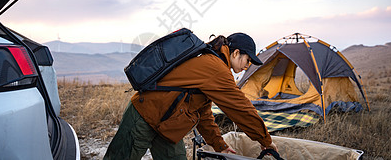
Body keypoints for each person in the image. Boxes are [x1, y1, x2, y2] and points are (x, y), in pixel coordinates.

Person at [104, 32, 278, 160]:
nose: (248, 66)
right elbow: (239, 108)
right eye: (248, 60)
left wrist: (220, 145)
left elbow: (203, 112)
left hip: (167, 125)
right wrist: (265, 140)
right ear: (235, 53)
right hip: (143, 116)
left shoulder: (214, 65)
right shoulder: (216, 68)